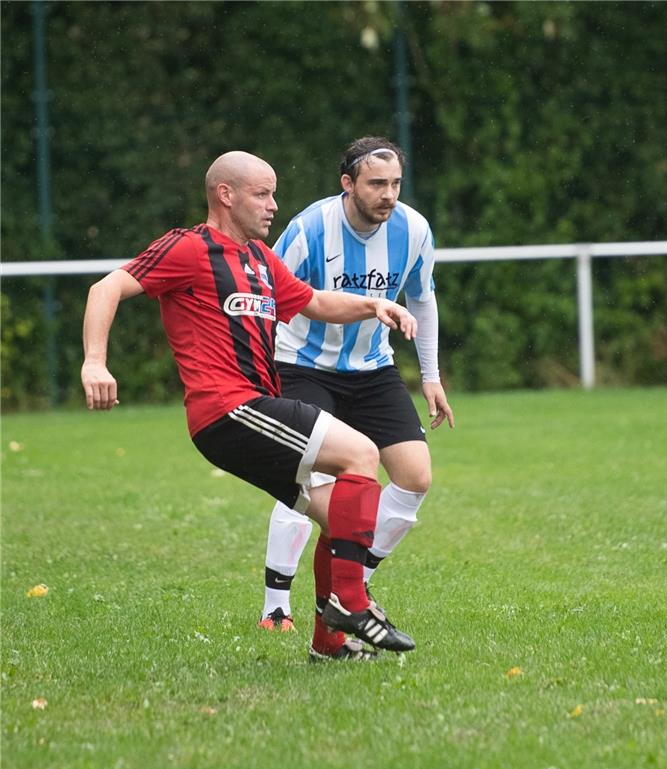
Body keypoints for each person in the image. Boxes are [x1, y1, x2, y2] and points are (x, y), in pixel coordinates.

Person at [81, 151, 419, 662]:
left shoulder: (261, 260)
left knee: (342, 519)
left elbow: (316, 303)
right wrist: (94, 362)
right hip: (227, 408)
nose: (273, 206)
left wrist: (375, 304)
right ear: (226, 195)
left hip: (253, 408)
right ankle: (352, 603)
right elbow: (107, 287)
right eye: (262, 194)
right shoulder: (189, 248)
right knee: (361, 454)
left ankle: (328, 644)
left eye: (274, 194)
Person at [256, 137, 453, 636]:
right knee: (312, 482)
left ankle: (353, 588)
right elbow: (267, 294)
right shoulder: (308, 228)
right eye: (376, 184)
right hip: (303, 365)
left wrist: (430, 375)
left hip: (373, 369)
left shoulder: (414, 230)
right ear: (348, 184)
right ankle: (277, 604)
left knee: (415, 477)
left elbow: (422, 301)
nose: (389, 195)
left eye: (395, 184)